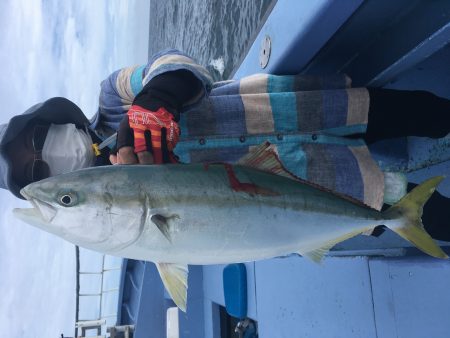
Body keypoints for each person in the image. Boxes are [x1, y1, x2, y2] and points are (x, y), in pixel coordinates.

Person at [0, 49, 449, 239]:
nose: (49, 155)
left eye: (39, 139)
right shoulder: (114, 221)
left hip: (323, 108)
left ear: (49, 118)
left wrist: (160, 96)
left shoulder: (112, 98)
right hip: (335, 189)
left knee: (432, 112)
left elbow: (177, 65)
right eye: (39, 171)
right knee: (437, 218)